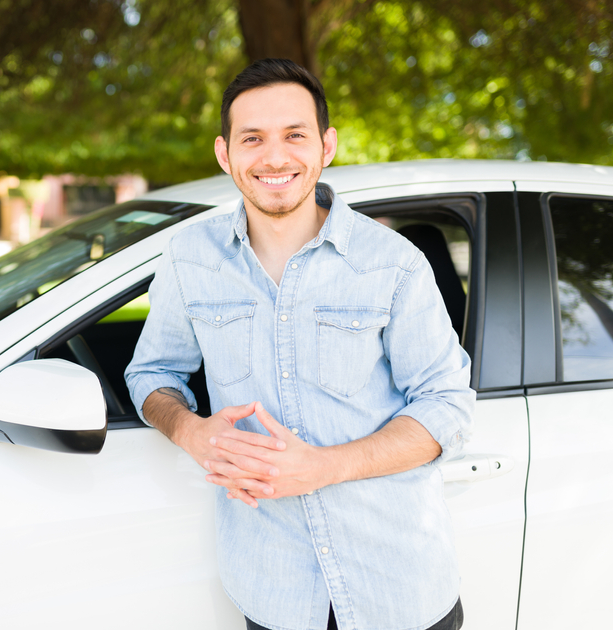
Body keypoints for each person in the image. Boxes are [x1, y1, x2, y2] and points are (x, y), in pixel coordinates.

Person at [124, 59, 474, 630]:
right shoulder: (189, 259)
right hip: (274, 596)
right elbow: (151, 374)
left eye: (295, 135)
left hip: (399, 592)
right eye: (253, 138)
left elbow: (447, 406)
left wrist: (324, 467)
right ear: (224, 154)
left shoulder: (393, 264)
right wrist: (190, 430)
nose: (275, 157)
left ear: (326, 145)